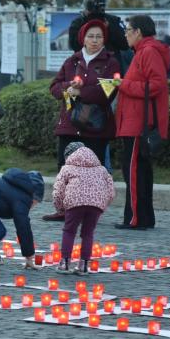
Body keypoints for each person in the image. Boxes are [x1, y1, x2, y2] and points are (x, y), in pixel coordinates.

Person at [43, 19, 118, 222]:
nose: (94, 40)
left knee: (94, 170)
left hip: (96, 125)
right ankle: (63, 209)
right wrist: (67, 88)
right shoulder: (72, 61)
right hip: (69, 123)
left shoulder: (110, 62)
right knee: (65, 167)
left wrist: (81, 91)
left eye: (99, 36)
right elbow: (54, 87)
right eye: (91, 36)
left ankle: (90, 211)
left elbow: (107, 93)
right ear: (83, 39)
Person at [114, 15, 169, 230]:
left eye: (128, 30)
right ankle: (144, 218)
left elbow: (156, 85)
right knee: (139, 173)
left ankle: (135, 218)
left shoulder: (148, 52)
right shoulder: (144, 52)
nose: (125, 34)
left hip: (139, 123)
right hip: (136, 121)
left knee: (134, 172)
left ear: (138, 32)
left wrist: (123, 85)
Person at [52, 142, 115, 275]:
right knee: (88, 233)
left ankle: (65, 263)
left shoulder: (67, 168)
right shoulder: (102, 169)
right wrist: (102, 205)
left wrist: (60, 209)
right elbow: (111, 192)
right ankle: (84, 265)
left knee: (69, 231)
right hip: (96, 205)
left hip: (74, 203)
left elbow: (58, 192)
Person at [68, 0, 129, 73]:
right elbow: (74, 46)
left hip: (110, 71)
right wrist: (86, 26)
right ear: (86, 4)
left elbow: (125, 44)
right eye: (91, 5)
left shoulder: (112, 20)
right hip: (85, 70)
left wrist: (110, 28)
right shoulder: (78, 22)